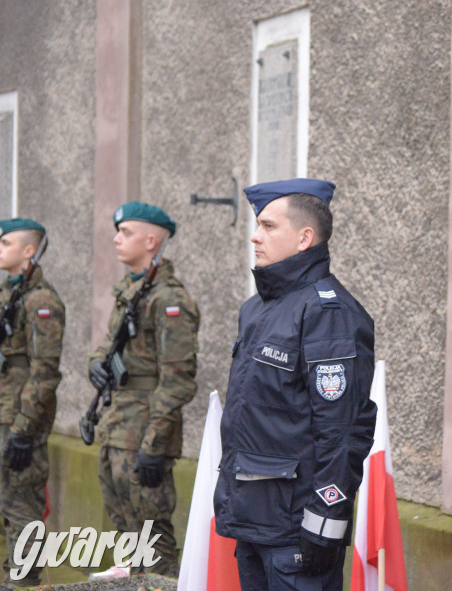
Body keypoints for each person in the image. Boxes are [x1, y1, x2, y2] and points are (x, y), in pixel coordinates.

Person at [215, 178, 377, 590]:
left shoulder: (329, 313)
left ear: (305, 238)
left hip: (296, 533)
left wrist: (325, 525)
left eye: (269, 226)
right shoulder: (257, 309)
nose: (255, 236)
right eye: (258, 226)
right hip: (254, 521)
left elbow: (341, 433)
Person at [88, 202, 199, 576]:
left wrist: (155, 444)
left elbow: (178, 378)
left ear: (152, 240)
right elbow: (111, 343)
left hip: (146, 427)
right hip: (119, 422)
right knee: (124, 519)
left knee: (153, 533)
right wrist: (97, 362)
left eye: (127, 233)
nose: (117, 240)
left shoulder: (169, 299)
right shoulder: (132, 291)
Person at [0, 219, 63, 588]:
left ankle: (24, 582)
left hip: (21, 419)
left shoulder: (42, 300)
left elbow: (44, 371)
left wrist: (24, 430)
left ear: (28, 251)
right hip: (5, 413)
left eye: (5, 242)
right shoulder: (11, 294)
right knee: (9, 505)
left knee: (23, 507)